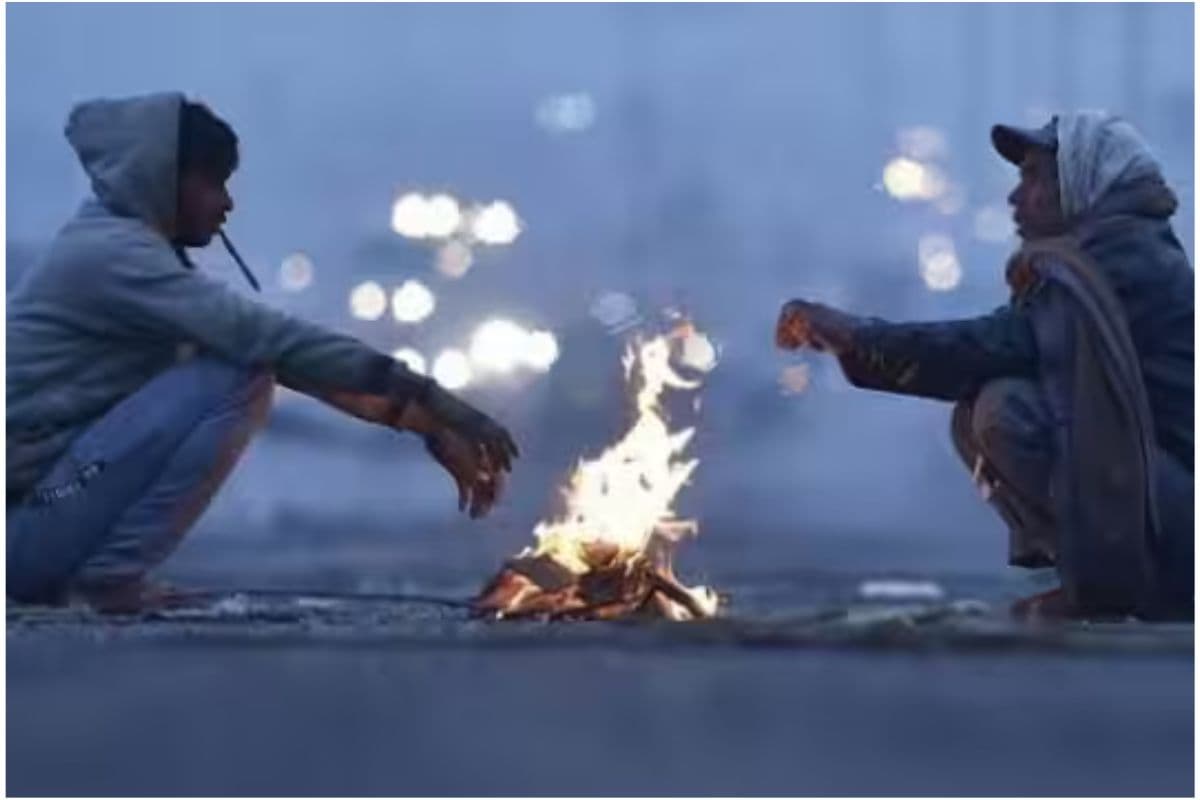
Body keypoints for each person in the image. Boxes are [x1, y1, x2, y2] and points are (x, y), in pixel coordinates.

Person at [7, 92, 519, 613]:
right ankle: (109, 580)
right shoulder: (117, 256)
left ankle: (97, 577)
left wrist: (428, 422)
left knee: (243, 367)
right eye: (213, 183)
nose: (226, 203)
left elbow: (300, 366)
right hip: (31, 522)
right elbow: (275, 343)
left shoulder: (122, 249)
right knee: (236, 376)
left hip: (43, 514)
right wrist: (441, 402)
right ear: (163, 178)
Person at [776, 112, 1193, 621]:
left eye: (1035, 177)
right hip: (1172, 501)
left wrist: (858, 336)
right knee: (983, 405)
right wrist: (859, 342)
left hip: (1181, 515)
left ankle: (1119, 588)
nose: (1017, 198)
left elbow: (990, 346)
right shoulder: (1106, 252)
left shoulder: (1120, 262)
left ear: (1086, 184)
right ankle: (1111, 581)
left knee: (1004, 407)